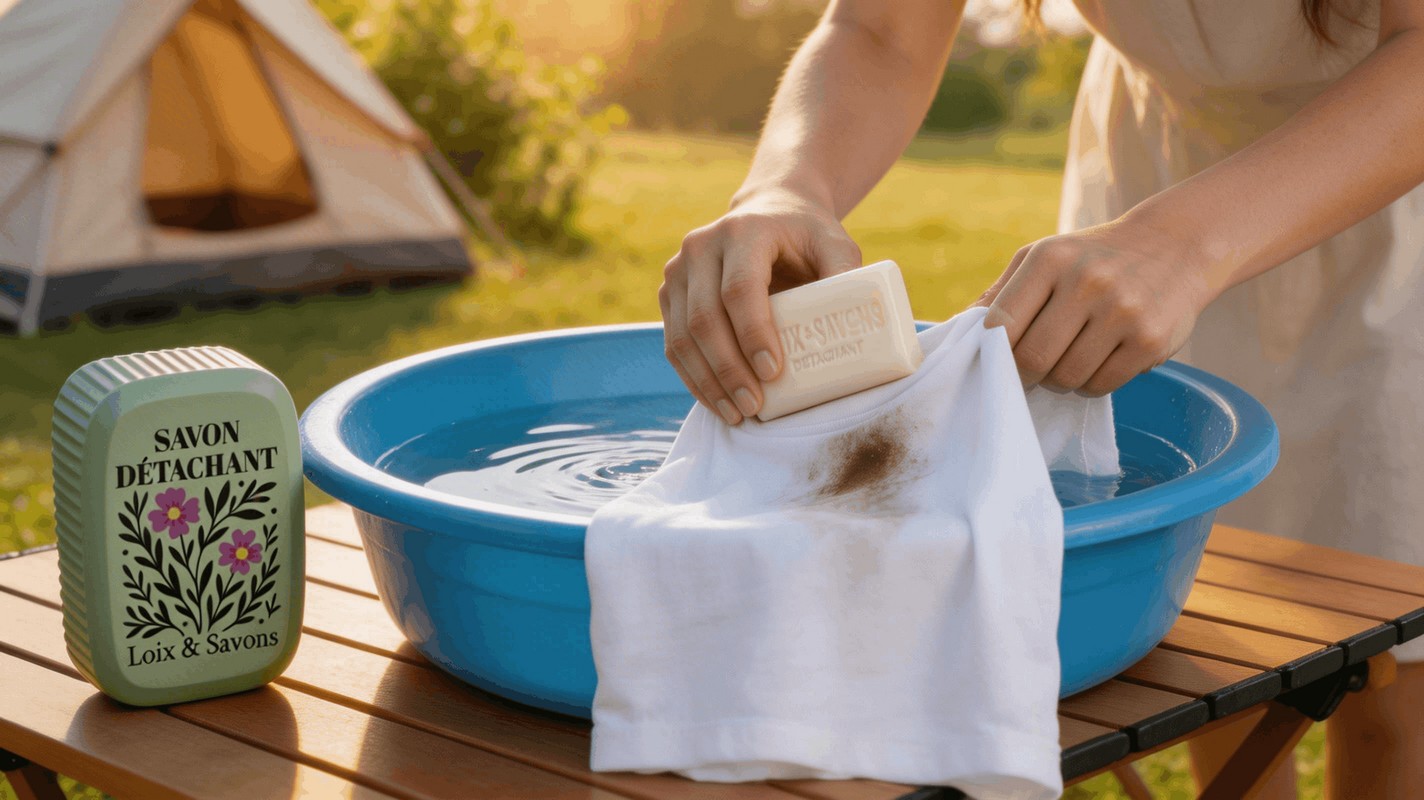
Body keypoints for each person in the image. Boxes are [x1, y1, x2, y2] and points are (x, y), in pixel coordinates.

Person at [656, 0, 1424, 796]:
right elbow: (881, 31)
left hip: (1383, 169)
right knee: (1220, 637)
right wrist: (786, 188)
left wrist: (1181, 243)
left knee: (1392, 673)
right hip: (1158, 173)